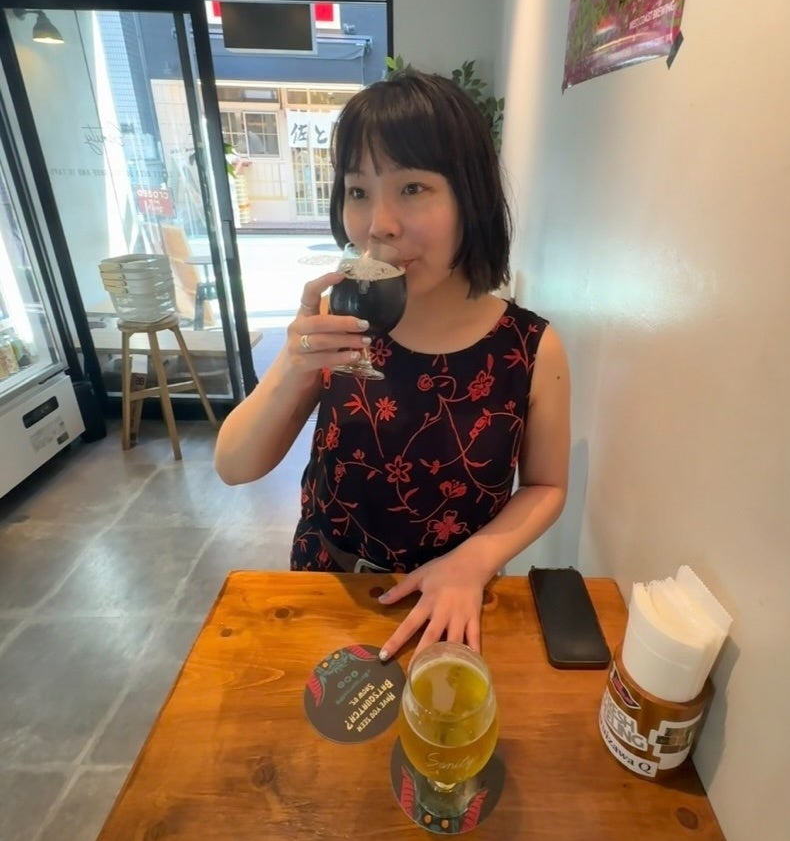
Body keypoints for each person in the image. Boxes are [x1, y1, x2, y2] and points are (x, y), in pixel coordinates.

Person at [214, 70, 570, 662]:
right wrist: (295, 366)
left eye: (412, 188)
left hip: (453, 604)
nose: (378, 223)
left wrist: (473, 562)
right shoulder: (339, 322)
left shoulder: (530, 347)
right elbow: (234, 465)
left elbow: (546, 486)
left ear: (471, 199)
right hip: (329, 586)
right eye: (358, 191)